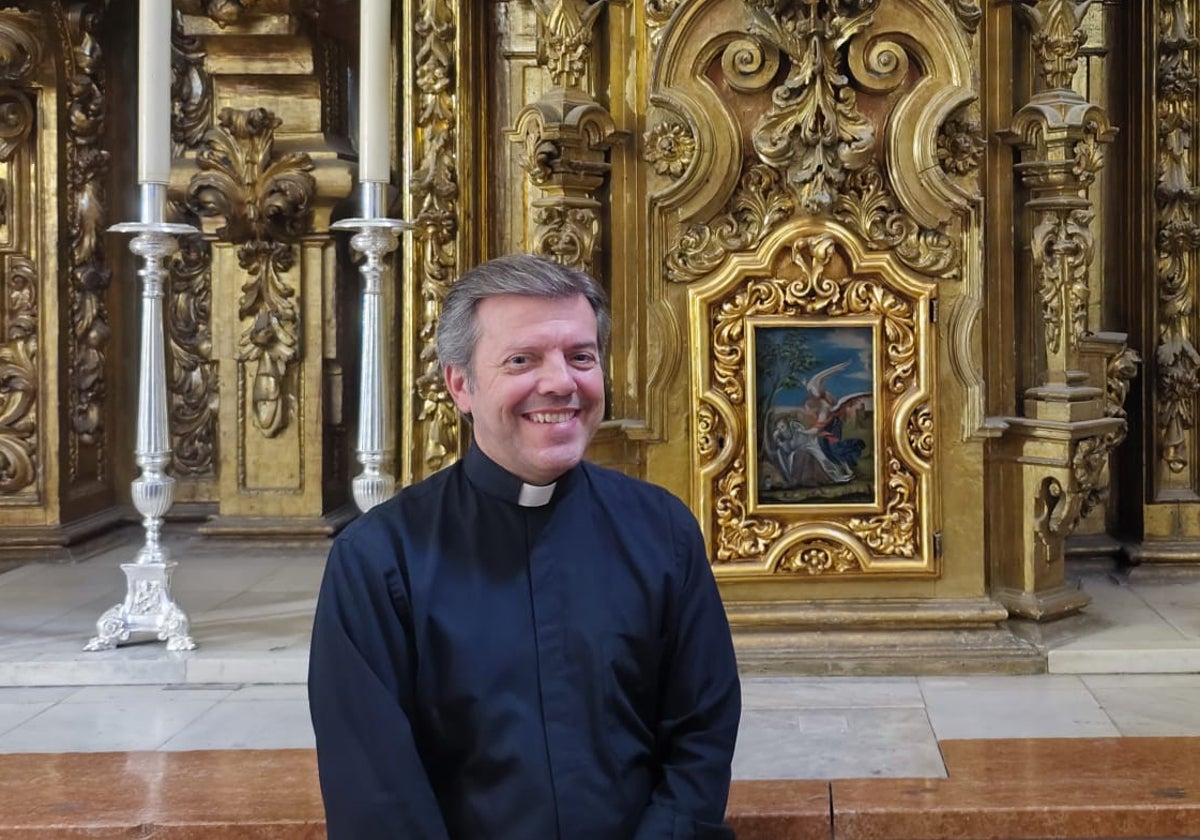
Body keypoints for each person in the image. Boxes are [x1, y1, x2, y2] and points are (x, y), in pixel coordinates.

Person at [308, 253, 742, 839]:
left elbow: (702, 732)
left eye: (581, 357)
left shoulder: (662, 530)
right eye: (522, 360)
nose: (561, 382)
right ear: (460, 385)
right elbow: (377, 792)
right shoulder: (379, 560)